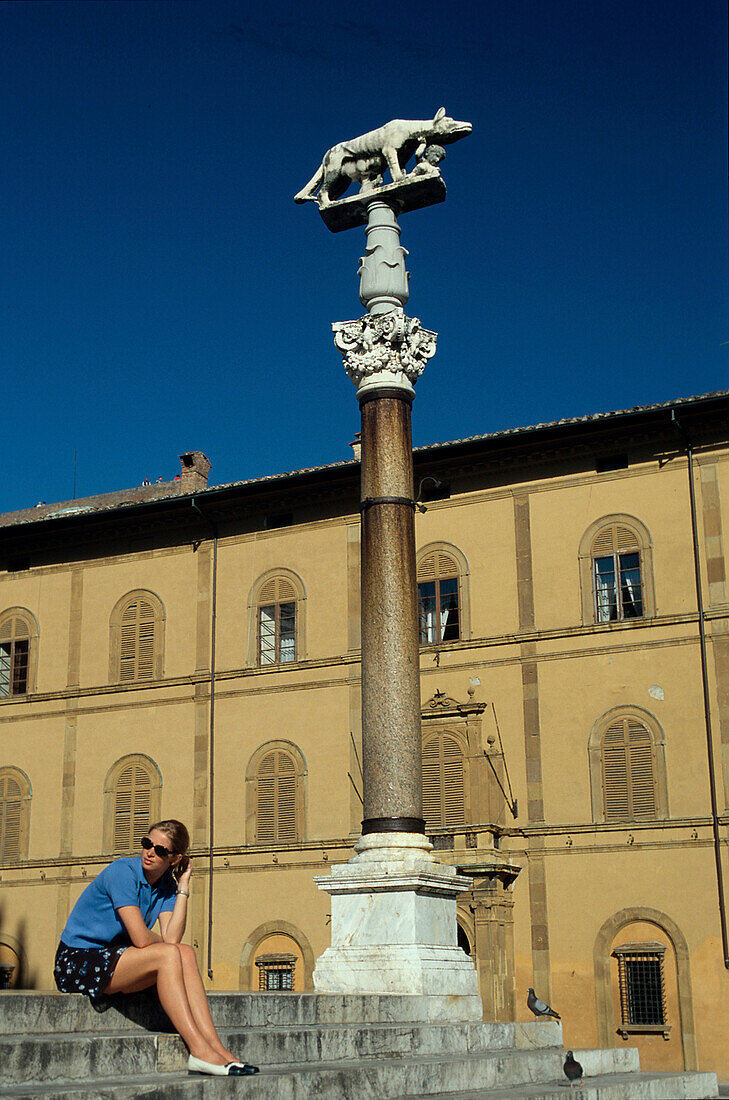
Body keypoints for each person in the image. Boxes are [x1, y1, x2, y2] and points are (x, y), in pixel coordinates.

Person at [54, 819, 259, 1078]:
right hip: (77, 960)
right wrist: (167, 945)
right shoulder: (122, 873)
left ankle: (218, 1049)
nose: (150, 852)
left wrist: (183, 887)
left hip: (117, 958)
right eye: (147, 844)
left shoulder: (166, 886)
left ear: (175, 859)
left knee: (186, 952)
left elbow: (172, 936)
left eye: (160, 850)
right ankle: (198, 1050)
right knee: (173, 952)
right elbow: (141, 939)